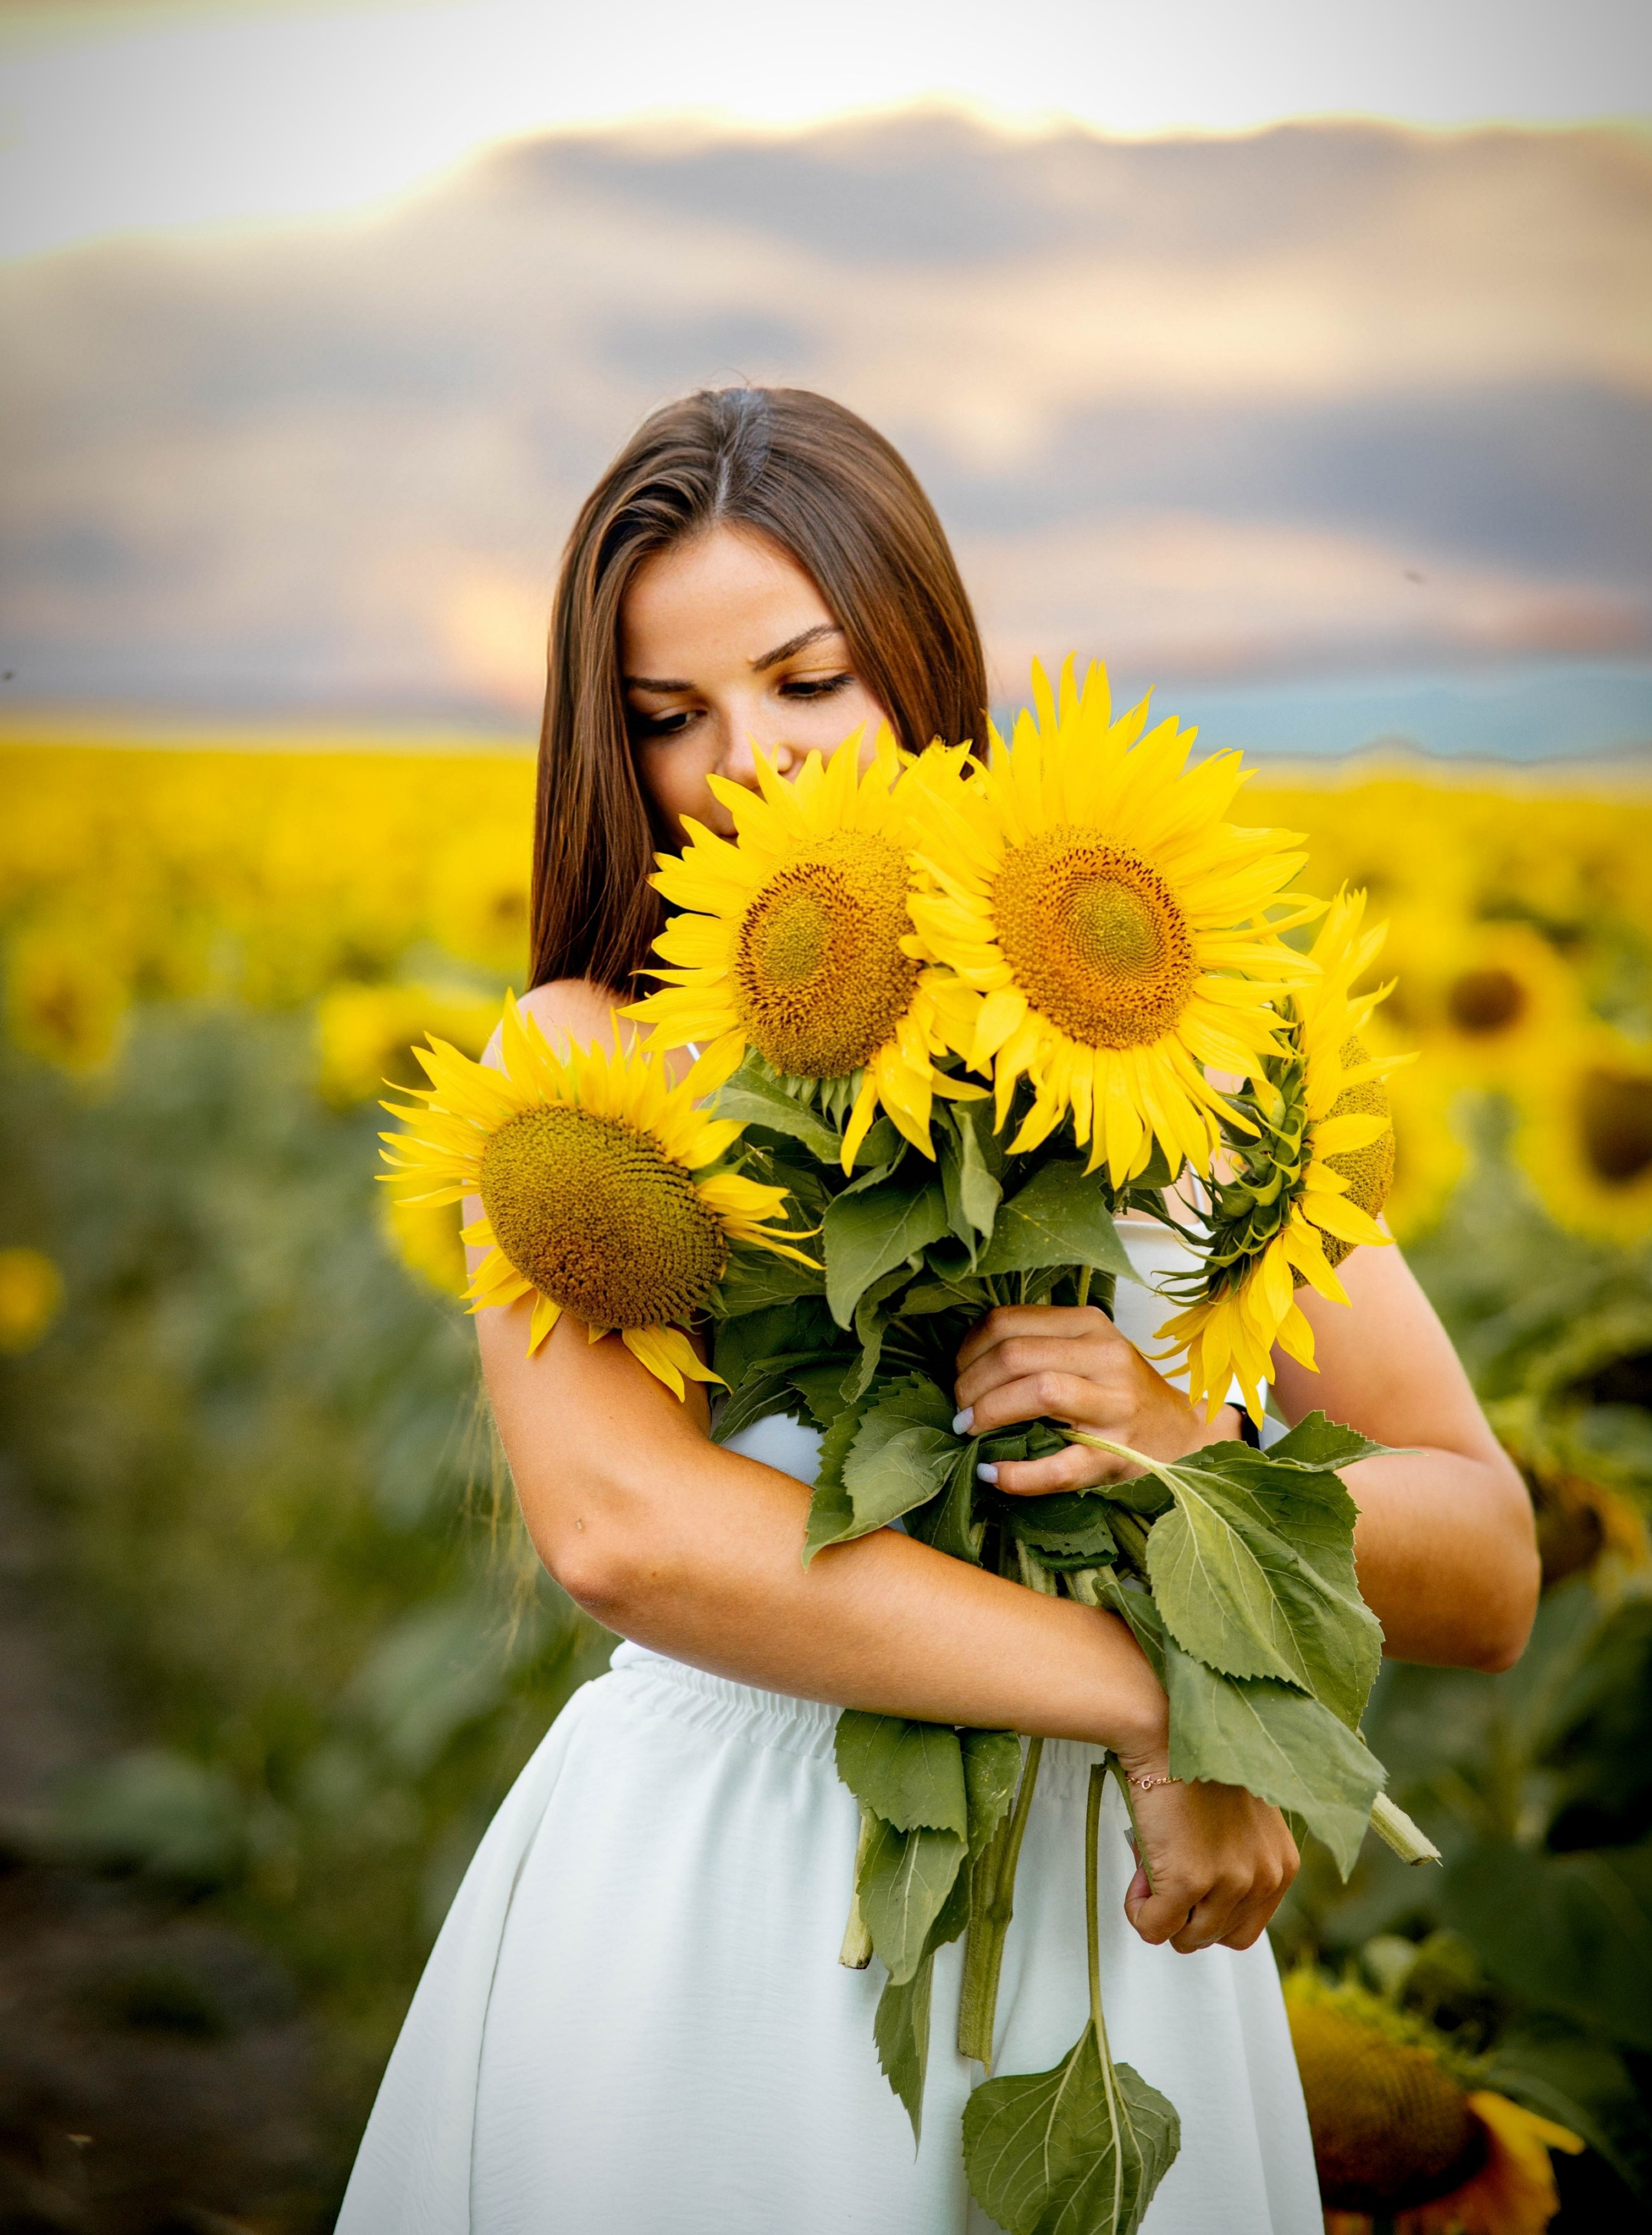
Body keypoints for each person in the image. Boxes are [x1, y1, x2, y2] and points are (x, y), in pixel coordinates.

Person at [337, 386, 1539, 2233]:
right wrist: (1165, 1704)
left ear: (919, 658)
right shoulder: (584, 1076)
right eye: (673, 718)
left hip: (1116, 1928)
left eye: (808, 681)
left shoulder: (1166, 1016)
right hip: (722, 1906)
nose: (749, 762)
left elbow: (1486, 1564)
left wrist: (1184, 1450)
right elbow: (622, 1533)